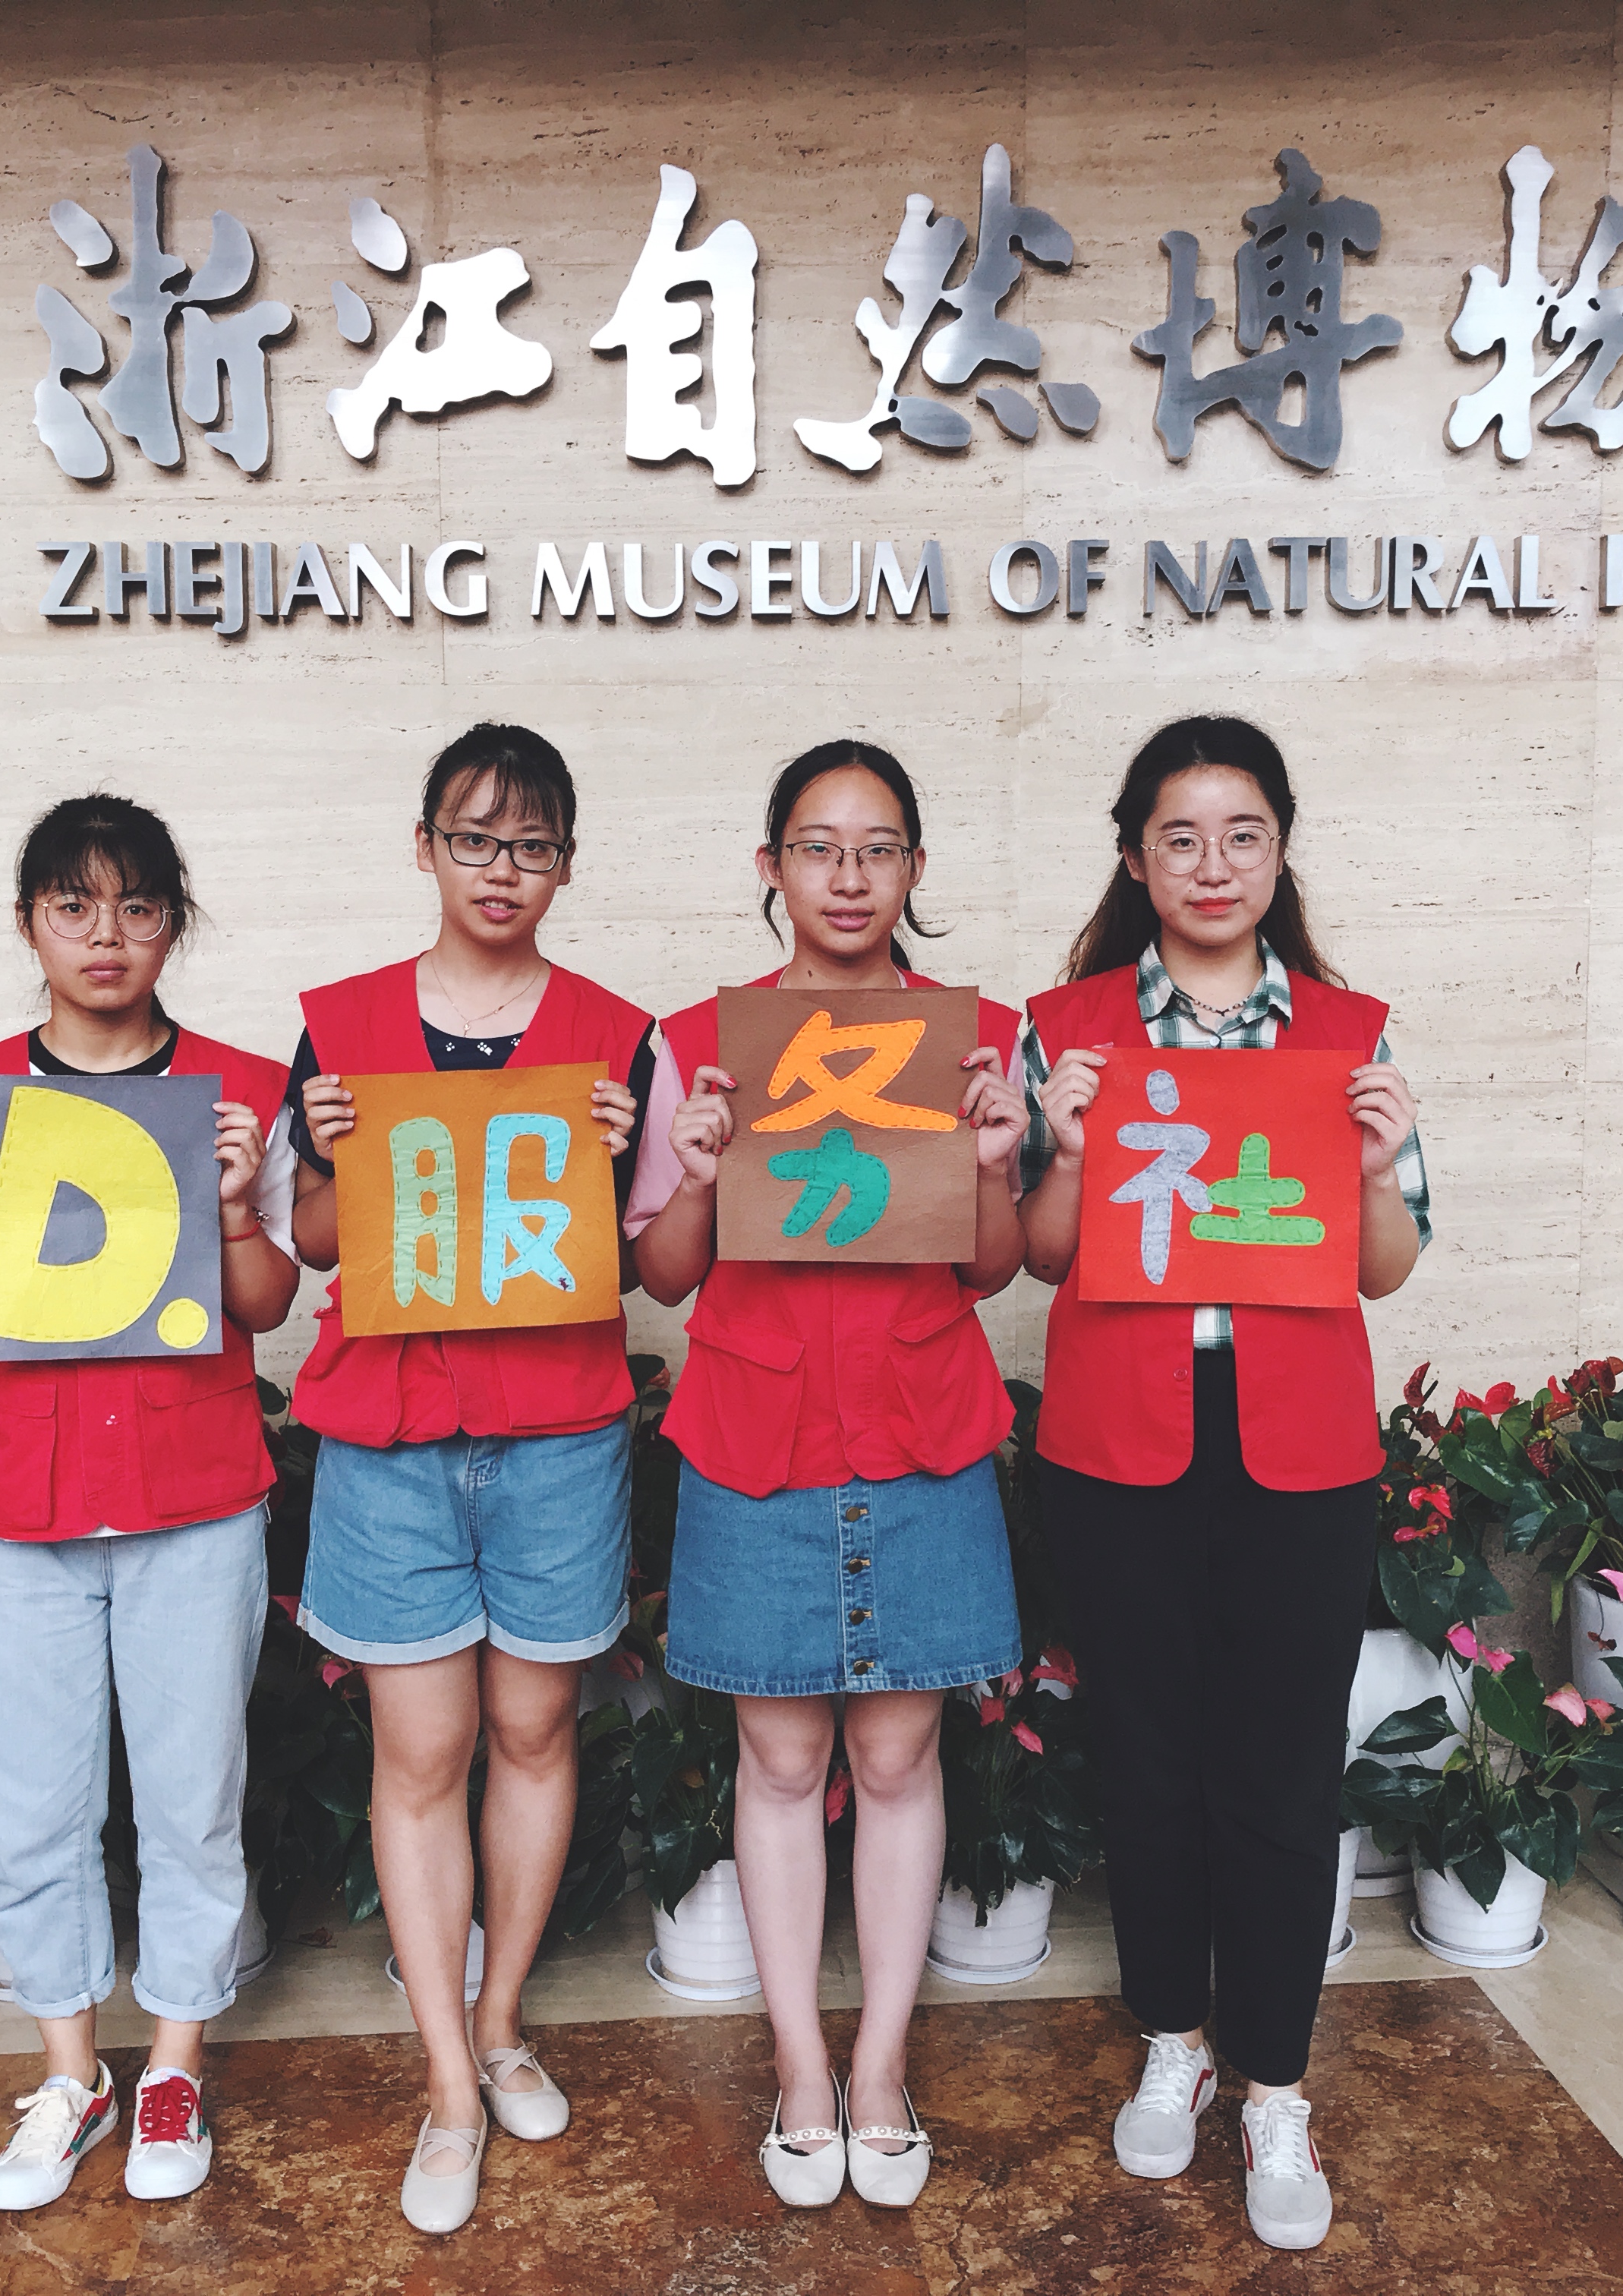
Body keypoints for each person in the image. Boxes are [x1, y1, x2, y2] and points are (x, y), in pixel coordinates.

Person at [1013, 717, 1431, 2255]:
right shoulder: (1066, 1030)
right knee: (1145, 1758)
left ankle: (1276, 2081)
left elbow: (1385, 1269)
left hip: (1298, 1446)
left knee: (1280, 1769)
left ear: (1280, 851)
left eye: (1241, 834)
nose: (1212, 864)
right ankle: (1174, 2039)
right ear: (1135, 858)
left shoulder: (1345, 1032)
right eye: (1179, 837)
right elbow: (1041, 1254)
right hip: (1120, 1435)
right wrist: (1064, 1149)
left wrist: (1376, 1169)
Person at [626, 741, 1029, 2212]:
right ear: (771, 867)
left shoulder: (971, 1039)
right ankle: (802, 2066)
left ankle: (879, 2069)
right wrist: (692, 1168)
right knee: (783, 1764)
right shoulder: (701, 1043)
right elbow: (664, 1277)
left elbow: (990, 1269)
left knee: (901, 1761)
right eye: (818, 846)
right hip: (758, 1434)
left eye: (877, 848)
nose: (848, 877)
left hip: (920, 1427)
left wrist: (995, 1164)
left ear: (914, 868)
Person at [284, 724, 651, 2234]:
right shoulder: (342, 1026)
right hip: (391, 1434)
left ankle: (500, 2025)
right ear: (425, 847)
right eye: (477, 840)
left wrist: (628, 1161)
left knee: (536, 1726)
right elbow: (315, 1241)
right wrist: (318, 1158)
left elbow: (642, 1257)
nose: (505, 871)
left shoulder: (616, 1037)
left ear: (565, 864)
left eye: (534, 846)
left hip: (558, 1429)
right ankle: (447, 2080)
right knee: (421, 1750)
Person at [0, 795, 300, 2211]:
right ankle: (71, 2076)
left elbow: (268, 1303)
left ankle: (175, 2060)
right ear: (29, 924)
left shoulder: (240, 1089)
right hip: (17, 1502)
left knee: (194, 1801)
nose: (106, 935)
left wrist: (241, 1204)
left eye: (137, 907)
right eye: (73, 906)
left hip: (194, 1492)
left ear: (172, 927)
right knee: (33, 1806)